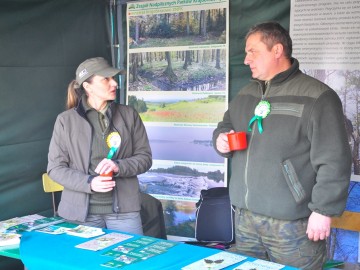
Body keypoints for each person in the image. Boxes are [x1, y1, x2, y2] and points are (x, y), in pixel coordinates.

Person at [213, 22, 351, 269]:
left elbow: (335, 160)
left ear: (277, 50)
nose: (246, 60)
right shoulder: (246, 94)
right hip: (245, 219)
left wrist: (323, 210)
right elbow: (226, 124)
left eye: (252, 51)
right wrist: (221, 139)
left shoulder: (317, 96)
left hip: (292, 225)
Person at [47, 57, 152, 234]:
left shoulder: (129, 115)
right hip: (80, 213)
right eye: (106, 79)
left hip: (124, 211)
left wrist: (118, 166)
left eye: (114, 78)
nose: (114, 84)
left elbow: (145, 158)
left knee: (130, 261)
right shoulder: (65, 121)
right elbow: (55, 168)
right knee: (81, 262)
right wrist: (89, 182)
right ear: (87, 87)